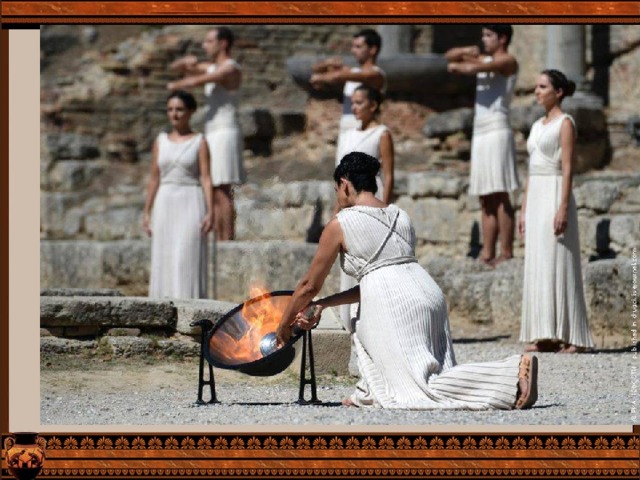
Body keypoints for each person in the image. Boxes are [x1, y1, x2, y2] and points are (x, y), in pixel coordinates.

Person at [276, 152, 538, 410]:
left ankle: (511, 373)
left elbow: (309, 285)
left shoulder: (340, 223)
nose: (338, 198)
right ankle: (370, 391)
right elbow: (379, 279)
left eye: (336, 191)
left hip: (396, 305)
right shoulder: (400, 215)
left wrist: (283, 326)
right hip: (430, 295)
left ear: (344, 184)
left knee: (423, 388)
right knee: (429, 374)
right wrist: (323, 304)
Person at [519, 70, 594, 354]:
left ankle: (575, 336)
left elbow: (568, 168)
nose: (536, 91)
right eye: (536, 86)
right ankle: (545, 334)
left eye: (542, 87)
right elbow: (531, 169)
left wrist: (563, 206)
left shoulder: (566, 123)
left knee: (560, 259)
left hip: (554, 194)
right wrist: (523, 209)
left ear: (558, 92)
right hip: (536, 196)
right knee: (539, 262)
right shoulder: (536, 125)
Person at [446, 25, 520, 266]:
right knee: (485, 196)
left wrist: (466, 63)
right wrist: (465, 51)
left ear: (503, 38)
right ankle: (487, 253)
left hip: (498, 128)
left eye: (489, 35)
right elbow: (449, 58)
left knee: (500, 192)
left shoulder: (508, 61)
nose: (484, 40)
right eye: (483, 35)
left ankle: (506, 252)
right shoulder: (484, 59)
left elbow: (473, 67)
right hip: (481, 131)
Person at [167, 27, 244, 241]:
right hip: (213, 132)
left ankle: (227, 240)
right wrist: (184, 62)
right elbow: (176, 67)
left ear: (223, 43)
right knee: (213, 188)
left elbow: (198, 80)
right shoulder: (211, 67)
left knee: (222, 189)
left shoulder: (231, 68)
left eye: (209, 41)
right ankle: (219, 239)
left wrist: (176, 85)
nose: (204, 46)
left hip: (226, 132)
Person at [335, 85, 395, 335]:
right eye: (352, 102)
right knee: (349, 257)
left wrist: (385, 212)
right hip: (348, 200)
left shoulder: (382, 133)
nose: (354, 107)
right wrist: (337, 210)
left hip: (371, 198)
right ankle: (348, 321)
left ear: (373, 105)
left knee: (369, 258)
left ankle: (372, 322)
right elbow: (339, 178)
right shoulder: (347, 134)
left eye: (359, 102)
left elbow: (388, 175)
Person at [143, 90, 214, 298]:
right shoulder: (160, 141)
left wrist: (211, 211)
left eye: (180, 109)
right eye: (170, 109)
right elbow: (154, 178)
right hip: (165, 201)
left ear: (190, 112)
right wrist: (147, 211)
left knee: (187, 255)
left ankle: (190, 305)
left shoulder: (199, 141)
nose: (174, 114)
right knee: (164, 255)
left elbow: (206, 177)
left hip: (191, 199)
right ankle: (162, 304)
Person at [309, 28, 386, 165]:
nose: (353, 51)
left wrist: (323, 77)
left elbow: (338, 76)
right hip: (346, 132)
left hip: (365, 133)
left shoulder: (376, 75)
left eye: (358, 47)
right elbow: (315, 70)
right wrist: (328, 63)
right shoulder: (353, 73)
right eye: (353, 46)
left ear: (372, 50)